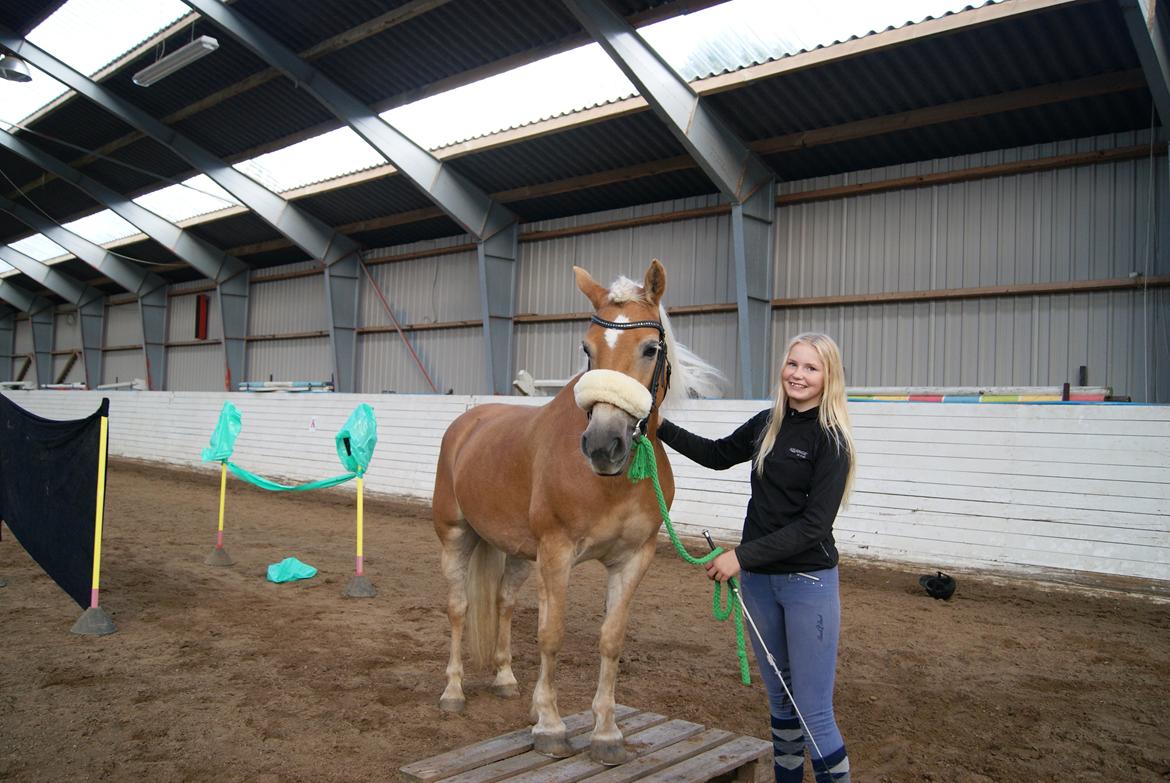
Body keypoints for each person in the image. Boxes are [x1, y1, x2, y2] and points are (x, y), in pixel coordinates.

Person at [656, 332, 856, 783]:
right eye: (793, 364)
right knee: (781, 702)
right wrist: (656, 424)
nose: (798, 375)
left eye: (810, 368)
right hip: (760, 585)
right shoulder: (768, 423)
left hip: (807, 584)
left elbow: (813, 527)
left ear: (828, 378)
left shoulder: (832, 441)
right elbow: (716, 454)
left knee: (814, 712)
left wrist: (740, 557)